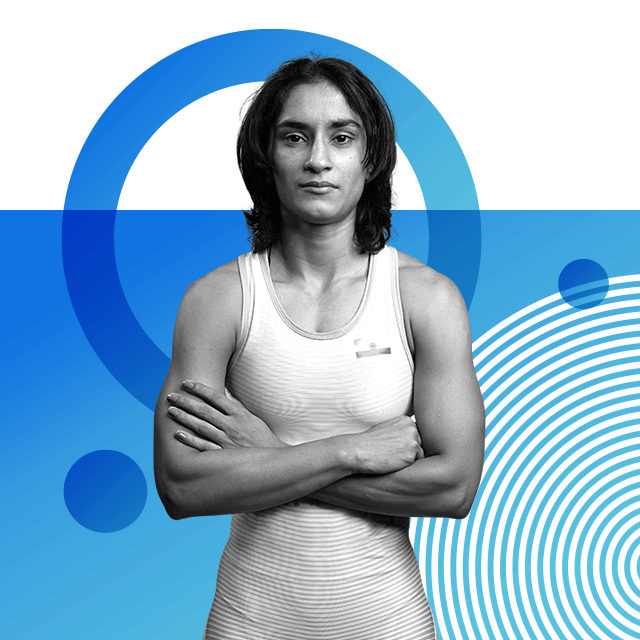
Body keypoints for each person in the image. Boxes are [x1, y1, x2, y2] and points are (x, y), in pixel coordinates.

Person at [153, 55, 485, 640]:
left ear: (370, 157)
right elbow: (183, 487)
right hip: (249, 623)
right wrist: (349, 451)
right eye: (294, 137)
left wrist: (267, 454)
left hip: (389, 623)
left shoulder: (426, 299)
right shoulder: (218, 301)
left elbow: (454, 487)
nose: (317, 159)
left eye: (341, 136)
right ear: (266, 157)